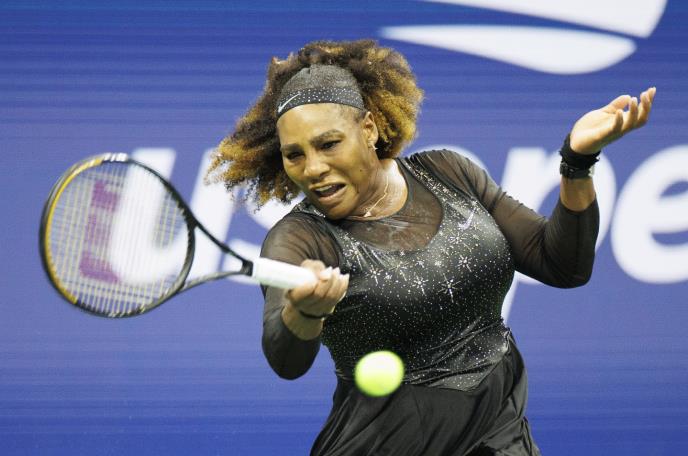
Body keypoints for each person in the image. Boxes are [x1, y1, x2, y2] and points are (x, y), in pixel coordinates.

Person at [208, 39, 656, 455]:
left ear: (368, 128)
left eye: (329, 144)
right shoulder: (299, 238)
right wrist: (305, 313)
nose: (313, 168)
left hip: (499, 434)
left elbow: (561, 265)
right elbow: (285, 359)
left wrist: (577, 162)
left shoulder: (447, 172)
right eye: (295, 155)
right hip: (385, 444)